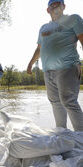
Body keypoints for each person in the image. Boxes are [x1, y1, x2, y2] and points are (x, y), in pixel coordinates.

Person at [27, 0, 83, 131]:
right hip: (48, 71)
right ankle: (61, 133)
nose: (54, 6)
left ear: (63, 6)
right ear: (48, 10)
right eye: (51, 5)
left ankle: (81, 138)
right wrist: (30, 63)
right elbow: (39, 49)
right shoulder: (44, 28)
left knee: (68, 101)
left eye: (58, 3)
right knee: (55, 103)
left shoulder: (73, 19)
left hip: (67, 67)